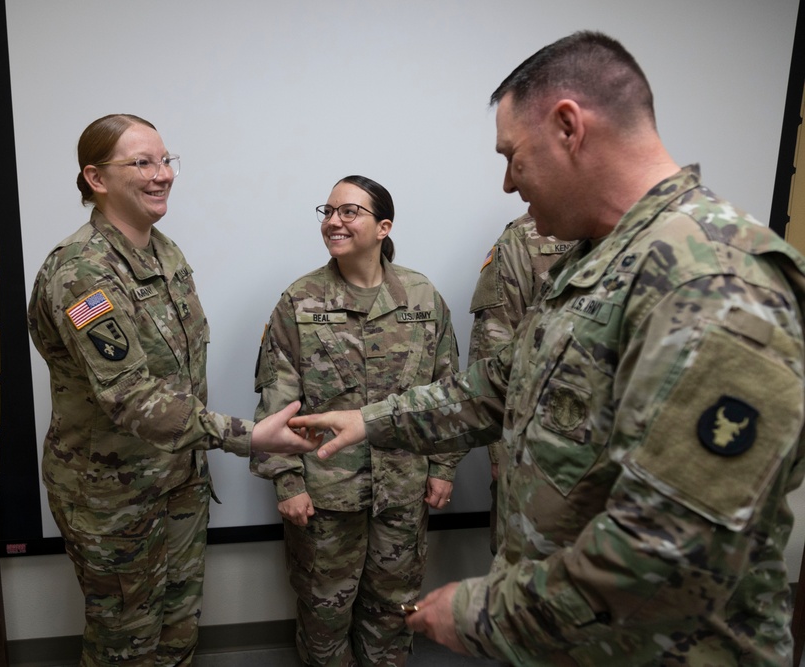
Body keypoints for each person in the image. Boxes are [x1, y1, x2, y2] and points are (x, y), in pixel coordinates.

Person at [290, 31, 805, 665]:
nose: (508, 183)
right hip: (573, 638)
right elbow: (494, 387)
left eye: (513, 155)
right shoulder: (597, 261)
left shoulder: (711, 282)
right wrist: (368, 421)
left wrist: (483, 613)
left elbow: (671, 549)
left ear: (568, 126)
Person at [27, 114, 316, 667]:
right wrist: (248, 435)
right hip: (113, 496)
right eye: (142, 162)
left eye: (165, 160)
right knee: (126, 645)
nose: (162, 175)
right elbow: (132, 397)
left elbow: (181, 372)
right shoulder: (82, 272)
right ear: (96, 178)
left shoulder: (165, 253)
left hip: (178, 480)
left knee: (178, 631)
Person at [251, 175, 464, 666]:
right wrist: (287, 483)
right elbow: (275, 401)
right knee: (325, 617)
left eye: (349, 212)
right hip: (326, 496)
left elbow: (449, 391)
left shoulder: (422, 297)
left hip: (403, 492)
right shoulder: (299, 301)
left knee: (394, 614)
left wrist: (444, 467)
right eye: (327, 211)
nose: (333, 222)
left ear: (383, 226)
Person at [468, 213, 575, 554]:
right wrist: (501, 452)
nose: (510, 183)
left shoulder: (653, 234)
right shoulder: (524, 239)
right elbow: (493, 352)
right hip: (538, 459)